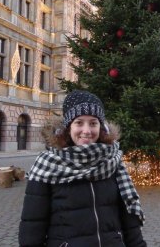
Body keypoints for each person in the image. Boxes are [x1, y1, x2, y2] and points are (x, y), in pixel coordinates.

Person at [19, 90, 146, 247]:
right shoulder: (47, 165)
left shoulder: (113, 163)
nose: (86, 131)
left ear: (101, 127)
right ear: (68, 127)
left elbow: (129, 223)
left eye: (93, 123)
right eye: (79, 122)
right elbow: (32, 227)